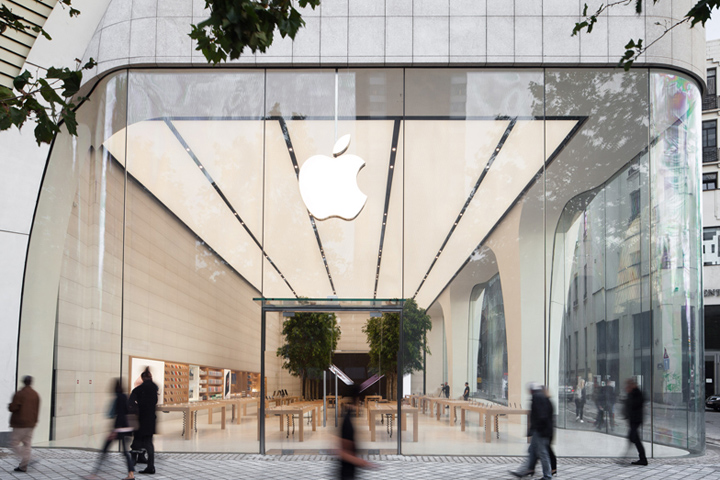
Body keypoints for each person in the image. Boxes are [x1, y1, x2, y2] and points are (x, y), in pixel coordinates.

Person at [87, 379, 135, 480]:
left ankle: (94, 474)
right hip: (126, 428)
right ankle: (131, 474)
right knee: (125, 452)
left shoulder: (118, 398)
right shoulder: (126, 397)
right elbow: (127, 412)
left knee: (104, 450)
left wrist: (114, 430)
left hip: (119, 429)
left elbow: (118, 415)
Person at [511, 383, 553, 479]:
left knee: (542, 453)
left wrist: (536, 428)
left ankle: (547, 475)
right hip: (540, 430)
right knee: (532, 451)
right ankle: (525, 470)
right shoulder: (541, 396)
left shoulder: (537, 397)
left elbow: (541, 415)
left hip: (541, 431)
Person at [338, 385, 372, 479]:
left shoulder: (348, 417)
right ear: (357, 399)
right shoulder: (347, 421)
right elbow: (342, 451)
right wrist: (361, 462)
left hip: (349, 471)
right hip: (347, 472)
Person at [7, 375, 40, 473]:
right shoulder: (35, 394)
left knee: (14, 443)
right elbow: (37, 409)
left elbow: (13, 408)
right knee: (27, 444)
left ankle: (29, 458)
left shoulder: (20, 394)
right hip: (31, 423)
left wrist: (9, 405)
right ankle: (23, 466)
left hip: (20, 423)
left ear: (23, 382)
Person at [130, 368, 158, 474]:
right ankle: (147, 463)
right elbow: (154, 402)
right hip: (151, 419)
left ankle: (135, 460)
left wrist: (137, 407)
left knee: (137, 439)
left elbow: (131, 401)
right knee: (148, 442)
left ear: (143, 378)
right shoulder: (154, 388)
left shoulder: (140, 389)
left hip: (141, 418)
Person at [624, 378, 647, 466]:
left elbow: (634, 405)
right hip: (633, 419)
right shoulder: (633, 393)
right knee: (634, 438)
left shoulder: (637, 393)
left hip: (636, 420)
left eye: (629, 385)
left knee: (634, 438)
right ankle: (642, 458)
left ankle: (642, 458)